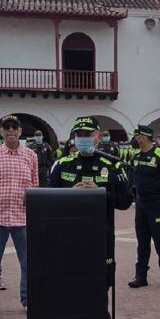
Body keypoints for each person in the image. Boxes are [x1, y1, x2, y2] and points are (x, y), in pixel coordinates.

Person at [50, 116, 133, 297]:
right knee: (70, 282)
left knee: (102, 282)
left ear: (98, 136)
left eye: (88, 134)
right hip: (69, 235)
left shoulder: (113, 165)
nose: (82, 138)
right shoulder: (63, 165)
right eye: (79, 134)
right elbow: (49, 202)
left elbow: (126, 201)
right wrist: (70, 193)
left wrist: (101, 192)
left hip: (100, 235)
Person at [0, 115, 39, 319]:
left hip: (23, 217)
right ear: (1, 132)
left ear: (20, 131)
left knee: (28, 262)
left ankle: (28, 300)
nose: (11, 130)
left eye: (15, 127)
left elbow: (34, 185)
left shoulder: (31, 155)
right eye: (6, 127)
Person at [128, 124, 160, 289]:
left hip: (158, 204)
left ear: (143, 137)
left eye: (137, 136)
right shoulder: (136, 156)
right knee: (142, 242)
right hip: (141, 205)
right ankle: (140, 276)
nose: (134, 139)